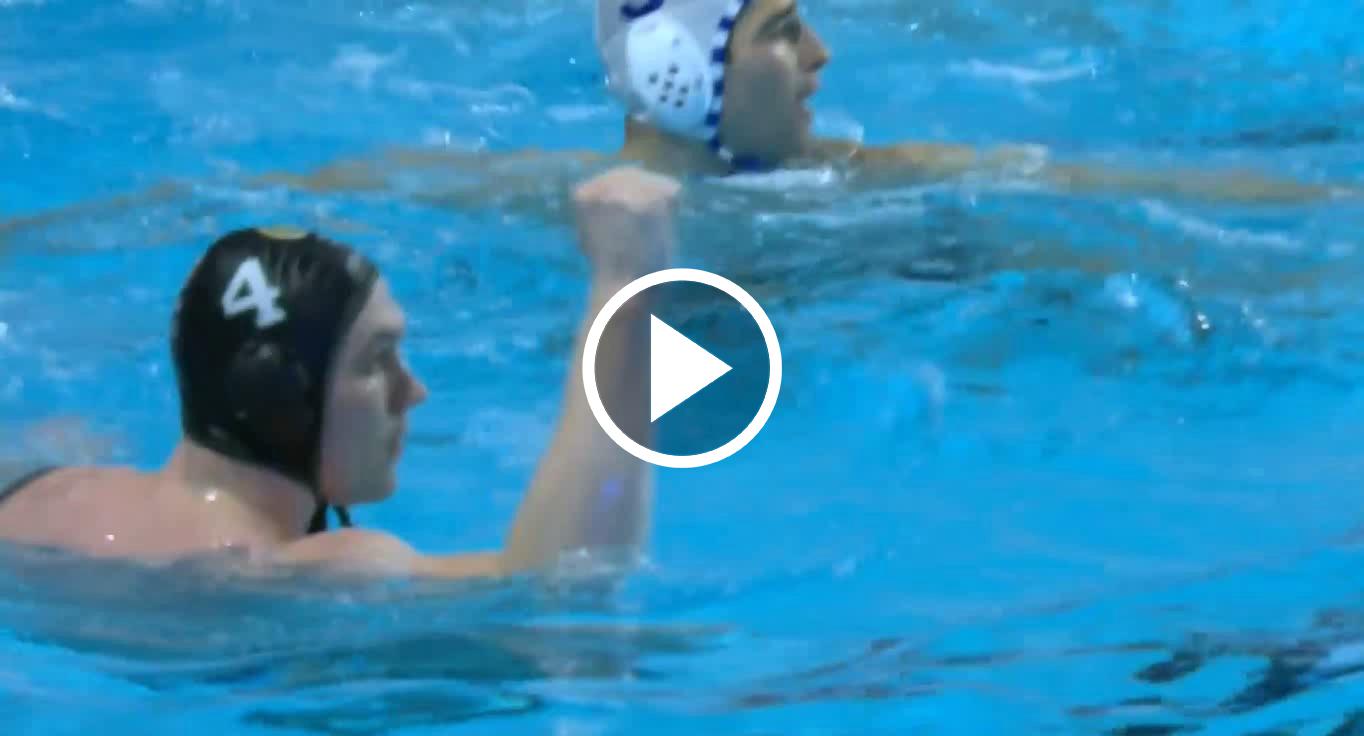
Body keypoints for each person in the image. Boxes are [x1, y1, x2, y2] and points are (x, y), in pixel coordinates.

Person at [1, 0, 1349, 250]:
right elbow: (233, 206)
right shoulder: (527, 198)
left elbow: (1100, 184)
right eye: (781, 31)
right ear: (682, 73)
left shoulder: (866, 180)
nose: (822, 56)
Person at [0, 165, 679, 580]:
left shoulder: (42, 493)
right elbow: (566, 591)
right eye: (377, 361)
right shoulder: (283, 572)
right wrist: (624, 283)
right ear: (279, 399)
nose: (413, 392)